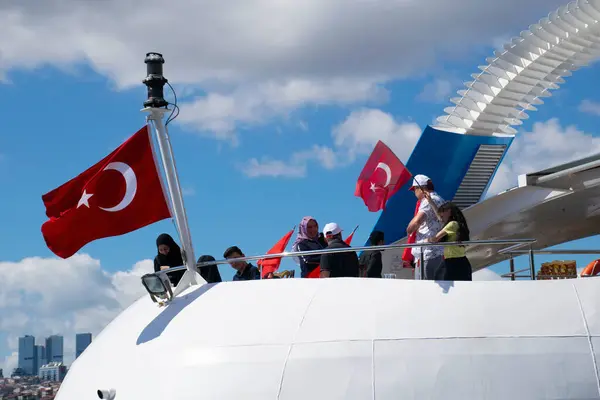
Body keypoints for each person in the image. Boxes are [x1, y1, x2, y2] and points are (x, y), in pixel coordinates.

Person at [406, 174, 445, 280]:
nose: (414, 192)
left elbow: (417, 222)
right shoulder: (439, 199)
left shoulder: (428, 200)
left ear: (421, 188)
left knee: (424, 289)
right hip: (438, 252)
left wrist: (409, 229)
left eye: (415, 189)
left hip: (426, 253)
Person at [427, 202, 473, 281]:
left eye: (443, 212)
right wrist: (431, 202)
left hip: (454, 262)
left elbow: (435, 238)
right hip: (458, 261)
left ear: (449, 211)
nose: (441, 216)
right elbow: (440, 218)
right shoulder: (456, 224)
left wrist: (426, 240)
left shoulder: (452, 224)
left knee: (440, 280)